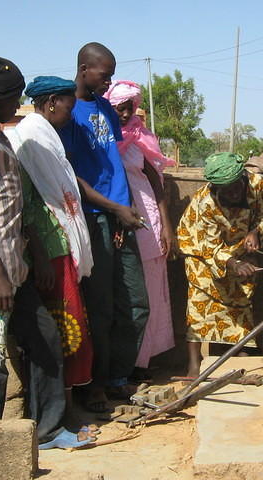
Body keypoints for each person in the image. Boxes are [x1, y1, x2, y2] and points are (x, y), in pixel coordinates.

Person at [0, 56, 90, 449]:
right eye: (16, 98)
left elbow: (9, 204)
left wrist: (25, 258)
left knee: (44, 338)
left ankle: (46, 429)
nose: (19, 106)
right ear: (3, 97)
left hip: (12, 266)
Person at [58, 43, 149, 412]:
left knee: (135, 303)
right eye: (104, 74)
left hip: (118, 217)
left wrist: (121, 210)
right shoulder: (67, 111)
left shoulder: (103, 109)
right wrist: (112, 209)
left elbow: (111, 164)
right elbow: (73, 177)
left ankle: (117, 377)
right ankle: (93, 384)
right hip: (94, 217)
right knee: (101, 308)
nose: (108, 81)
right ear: (84, 68)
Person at [6, 76, 96, 433]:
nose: (71, 115)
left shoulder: (45, 136)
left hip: (59, 245)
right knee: (65, 331)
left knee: (68, 329)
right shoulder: (29, 139)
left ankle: (61, 413)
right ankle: (60, 417)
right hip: (48, 250)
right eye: (69, 107)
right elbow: (27, 206)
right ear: (52, 102)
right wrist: (41, 255)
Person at [177, 152, 263, 377]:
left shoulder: (258, 184)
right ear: (215, 187)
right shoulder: (205, 203)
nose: (233, 193)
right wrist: (231, 263)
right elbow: (209, 246)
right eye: (226, 190)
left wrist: (255, 232)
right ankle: (194, 363)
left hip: (238, 246)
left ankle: (239, 353)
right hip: (201, 250)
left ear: (243, 178)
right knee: (200, 304)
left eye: (236, 186)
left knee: (240, 299)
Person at [106, 80, 175, 379]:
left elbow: (156, 183)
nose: (124, 114)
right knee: (125, 292)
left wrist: (167, 225)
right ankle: (125, 361)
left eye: (128, 108)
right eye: (119, 109)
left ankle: (142, 360)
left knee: (148, 287)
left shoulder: (141, 138)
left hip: (147, 218)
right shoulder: (103, 138)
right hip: (117, 217)